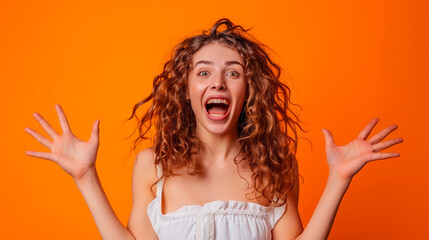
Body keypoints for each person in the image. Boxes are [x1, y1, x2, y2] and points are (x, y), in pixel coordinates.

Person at [25, 18, 403, 240]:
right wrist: (86, 178)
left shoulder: (276, 168)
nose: (218, 82)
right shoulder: (152, 166)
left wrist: (338, 179)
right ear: (187, 92)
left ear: (248, 90)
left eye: (233, 73)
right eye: (203, 72)